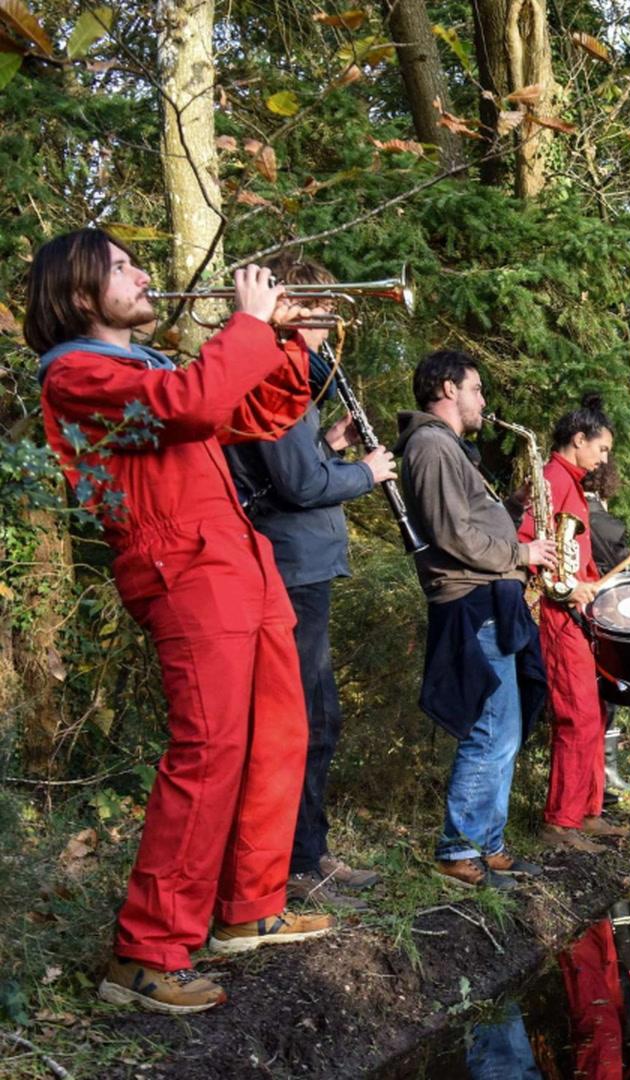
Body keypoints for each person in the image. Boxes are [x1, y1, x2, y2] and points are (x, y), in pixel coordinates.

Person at [32, 232, 336, 1013]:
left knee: (279, 732)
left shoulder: (153, 366)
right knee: (208, 752)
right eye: (121, 268)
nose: (142, 276)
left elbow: (258, 412)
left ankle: (248, 908)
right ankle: (145, 953)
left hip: (238, 560)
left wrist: (293, 340)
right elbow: (195, 404)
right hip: (183, 567)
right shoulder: (76, 373)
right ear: (77, 296)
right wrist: (245, 325)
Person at [218, 253, 393, 911]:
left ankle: (306, 853)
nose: (333, 322)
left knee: (313, 714)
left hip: (297, 563)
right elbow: (297, 486)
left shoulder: (285, 376)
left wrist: (333, 446)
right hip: (291, 567)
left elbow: (293, 467)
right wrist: (365, 474)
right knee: (308, 719)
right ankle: (297, 861)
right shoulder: (275, 372)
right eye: (326, 307)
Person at [394, 350, 554, 887]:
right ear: (447, 388)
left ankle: (487, 843)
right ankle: (457, 849)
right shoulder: (431, 444)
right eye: (477, 389)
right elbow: (452, 536)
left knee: (504, 731)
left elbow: (469, 522)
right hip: (471, 603)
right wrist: (523, 556)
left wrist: (510, 508)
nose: (484, 400)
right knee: (488, 731)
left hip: (491, 601)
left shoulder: (449, 449)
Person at [516, 396, 630, 855]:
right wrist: (567, 588)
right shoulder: (550, 481)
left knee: (593, 715)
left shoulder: (572, 485)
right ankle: (559, 821)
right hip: (557, 617)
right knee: (575, 717)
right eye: (601, 449)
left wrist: (585, 586)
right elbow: (528, 545)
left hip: (575, 617)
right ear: (579, 440)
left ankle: (587, 810)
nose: (604, 459)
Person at [581, 462, 630, 794]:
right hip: (605, 614)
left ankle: (598, 776)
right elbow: (625, 578)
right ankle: (605, 774)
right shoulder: (608, 524)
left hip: (573, 611)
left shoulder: (569, 513)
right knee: (607, 692)